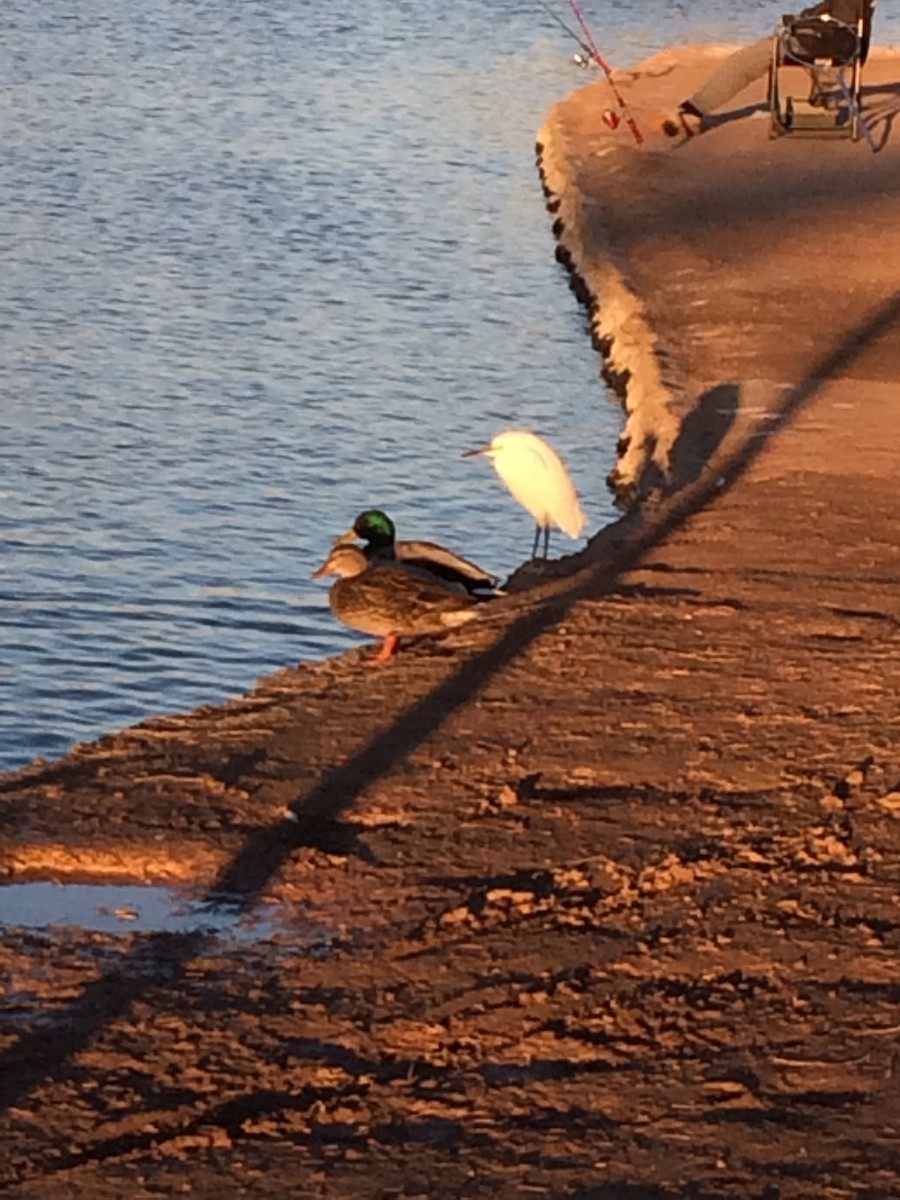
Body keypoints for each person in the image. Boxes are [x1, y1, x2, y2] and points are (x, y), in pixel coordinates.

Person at [662, 0, 876, 142]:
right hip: (831, 43)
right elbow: (836, 17)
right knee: (767, 44)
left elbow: (841, 31)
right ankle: (693, 110)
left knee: (742, 62)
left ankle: (694, 109)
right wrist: (803, 18)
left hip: (823, 46)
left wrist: (798, 27)